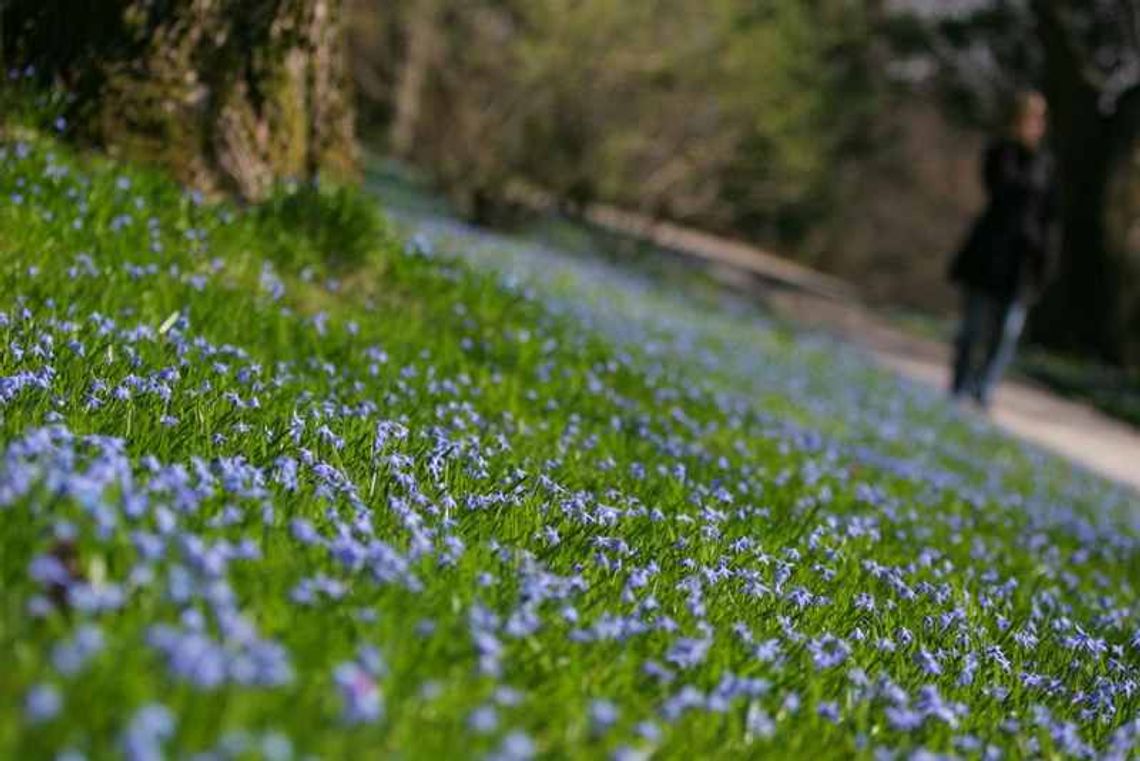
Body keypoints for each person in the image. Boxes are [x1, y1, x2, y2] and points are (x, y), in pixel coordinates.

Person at [948, 90, 1057, 409]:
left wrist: (1043, 261)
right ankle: (960, 388)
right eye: (1028, 117)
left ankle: (983, 391)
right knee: (973, 328)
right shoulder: (1001, 152)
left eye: (1039, 118)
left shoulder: (1046, 163)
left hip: (1022, 263)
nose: (1034, 124)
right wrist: (1015, 146)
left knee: (1006, 333)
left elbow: (1050, 214)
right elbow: (1001, 188)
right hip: (989, 255)